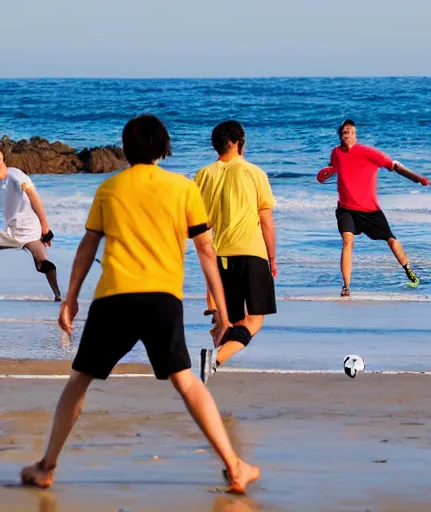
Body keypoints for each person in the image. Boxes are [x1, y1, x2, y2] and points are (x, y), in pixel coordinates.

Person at [20, 114, 260, 494]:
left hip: (113, 297)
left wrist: (70, 298)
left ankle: (47, 466)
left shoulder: (110, 188)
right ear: (165, 147)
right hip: (162, 300)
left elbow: (88, 246)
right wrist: (224, 315)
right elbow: (206, 251)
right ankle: (234, 467)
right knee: (186, 381)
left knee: (80, 381)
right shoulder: (182, 189)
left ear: (126, 149)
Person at [195, 120, 277, 384]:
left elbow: (199, 224)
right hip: (252, 254)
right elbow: (266, 221)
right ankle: (215, 360)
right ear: (239, 142)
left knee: (233, 321)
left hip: (220, 258)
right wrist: (273, 259)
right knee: (253, 322)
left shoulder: (204, 175)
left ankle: (217, 351)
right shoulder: (254, 173)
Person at [317, 119, 431, 297]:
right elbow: (332, 168)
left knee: (391, 240)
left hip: (369, 209)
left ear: (355, 135)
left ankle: (409, 270)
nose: (348, 133)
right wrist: (325, 173)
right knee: (347, 242)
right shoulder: (336, 153)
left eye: (351, 131)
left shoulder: (369, 153)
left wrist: (417, 178)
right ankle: (346, 286)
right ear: (341, 135)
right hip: (346, 208)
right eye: (345, 131)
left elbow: (394, 166)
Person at [0, 143, 61, 300]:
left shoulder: (16, 175)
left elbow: (34, 197)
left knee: (42, 265)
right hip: (11, 234)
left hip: (31, 232)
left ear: (2, 157)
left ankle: (57, 294)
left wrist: (45, 227)